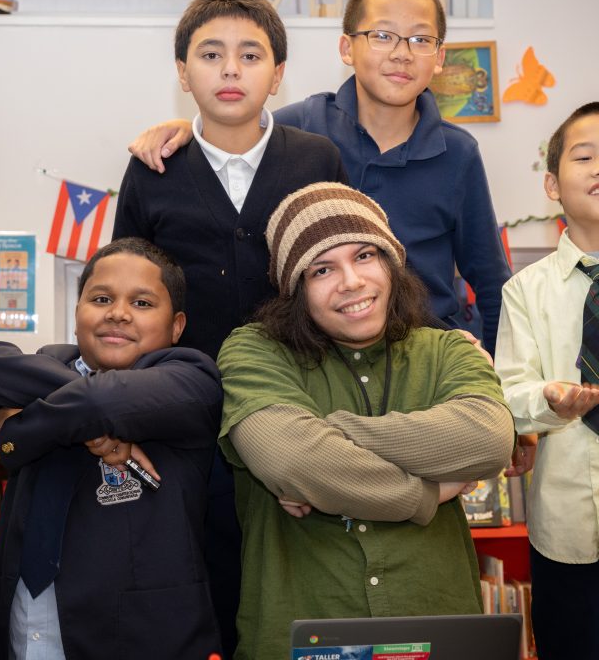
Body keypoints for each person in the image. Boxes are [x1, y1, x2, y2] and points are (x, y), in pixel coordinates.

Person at [112, 0, 346, 656]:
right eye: (211, 55)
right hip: (183, 408)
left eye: (251, 55)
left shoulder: (317, 160)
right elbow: (128, 290)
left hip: (294, 398)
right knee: (194, 570)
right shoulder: (155, 167)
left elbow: (340, 278)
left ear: (277, 74)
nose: (231, 69)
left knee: (287, 569)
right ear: (184, 75)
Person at [126, 0, 510, 355]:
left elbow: (491, 280)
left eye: (420, 39)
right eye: (382, 35)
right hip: (306, 350)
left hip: (422, 342)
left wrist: (493, 369)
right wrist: (186, 132)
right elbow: (240, 124)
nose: (401, 52)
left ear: (439, 56)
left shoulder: (457, 152)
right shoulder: (306, 129)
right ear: (347, 48)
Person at [217, 182, 515, 660]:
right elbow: (293, 458)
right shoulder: (254, 350)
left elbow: (488, 440)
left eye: (365, 256)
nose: (351, 281)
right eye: (322, 269)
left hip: (438, 630)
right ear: (295, 288)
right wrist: (426, 492)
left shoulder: (449, 349)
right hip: (300, 631)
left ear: (391, 264)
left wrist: (325, 435)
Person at [0, 238, 223, 660]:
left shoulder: (191, 381)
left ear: (176, 326)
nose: (118, 312)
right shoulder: (50, 365)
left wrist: (24, 419)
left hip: (139, 637)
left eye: (142, 303)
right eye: (101, 298)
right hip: (19, 626)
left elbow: (100, 402)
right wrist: (84, 408)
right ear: (77, 313)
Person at [495, 102, 599, 660]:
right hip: (566, 530)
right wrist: (549, 401)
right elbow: (509, 394)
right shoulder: (525, 291)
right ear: (553, 184)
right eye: (586, 157)